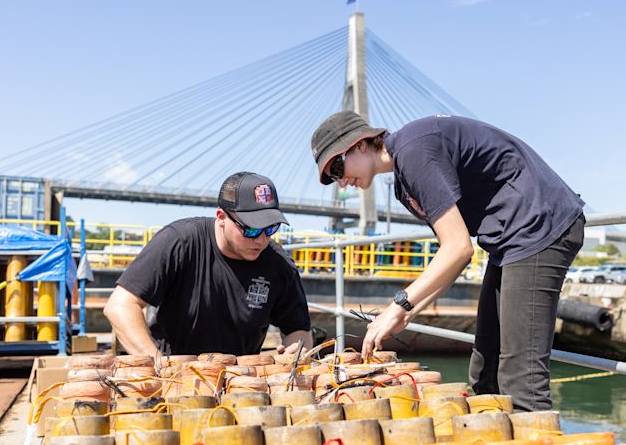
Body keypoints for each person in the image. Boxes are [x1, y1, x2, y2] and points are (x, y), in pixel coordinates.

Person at [310, 112, 585, 412]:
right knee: (485, 374)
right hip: (509, 239)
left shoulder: (414, 151)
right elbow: (453, 257)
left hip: (541, 227)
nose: (341, 181)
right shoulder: (405, 179)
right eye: (332, 177)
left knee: (521, 382)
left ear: (360, 144)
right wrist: (408, 312)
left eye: (337, 165)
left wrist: (398, 305)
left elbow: (458, 248)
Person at [105, 172, 313, 358]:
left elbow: (299, 330)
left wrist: (297, 349)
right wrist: (157, 365)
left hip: (240, 381)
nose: (261, 239)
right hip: (175, 371)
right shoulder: (179, 241)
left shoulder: (278, 264)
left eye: (270, 228)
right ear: (222, 217)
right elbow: (120, 306)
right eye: (251, 230)